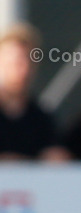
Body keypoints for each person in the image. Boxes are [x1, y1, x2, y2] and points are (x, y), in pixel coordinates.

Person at [0, 24, 66, 161]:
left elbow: (55, 156)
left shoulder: (41, 118)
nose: (23, 70)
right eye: (16, 62)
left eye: (29, 61)